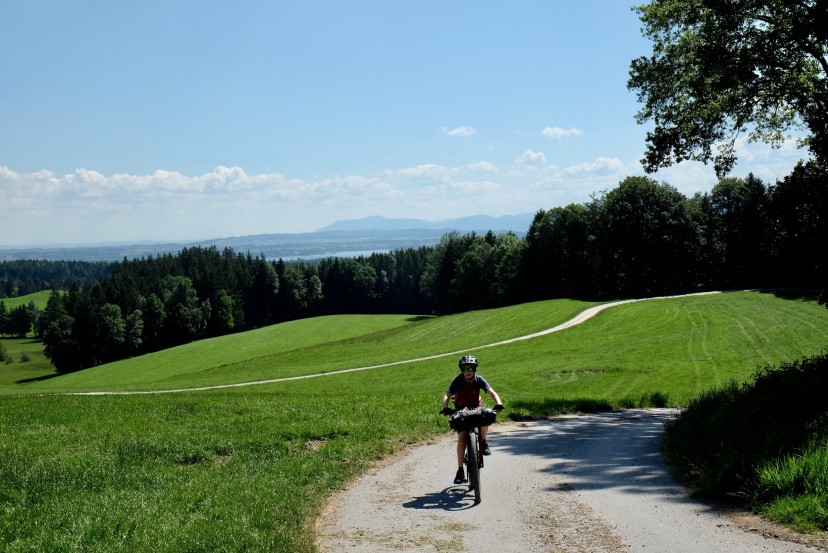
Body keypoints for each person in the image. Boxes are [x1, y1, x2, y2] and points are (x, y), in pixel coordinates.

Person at [441, 354, 504, 485]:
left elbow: (490, 391)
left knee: (485, 417)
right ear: (461, 370)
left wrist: (498, 403)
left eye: (470, 369)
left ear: (475, 369)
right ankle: (460, 470)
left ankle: (484, 442)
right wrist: (445, 407)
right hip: (461, 409)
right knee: (462, 438)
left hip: (476, 407)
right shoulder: (458, 380)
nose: (468, 372)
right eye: (465, 369)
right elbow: (447, 395)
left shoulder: (479, 379)